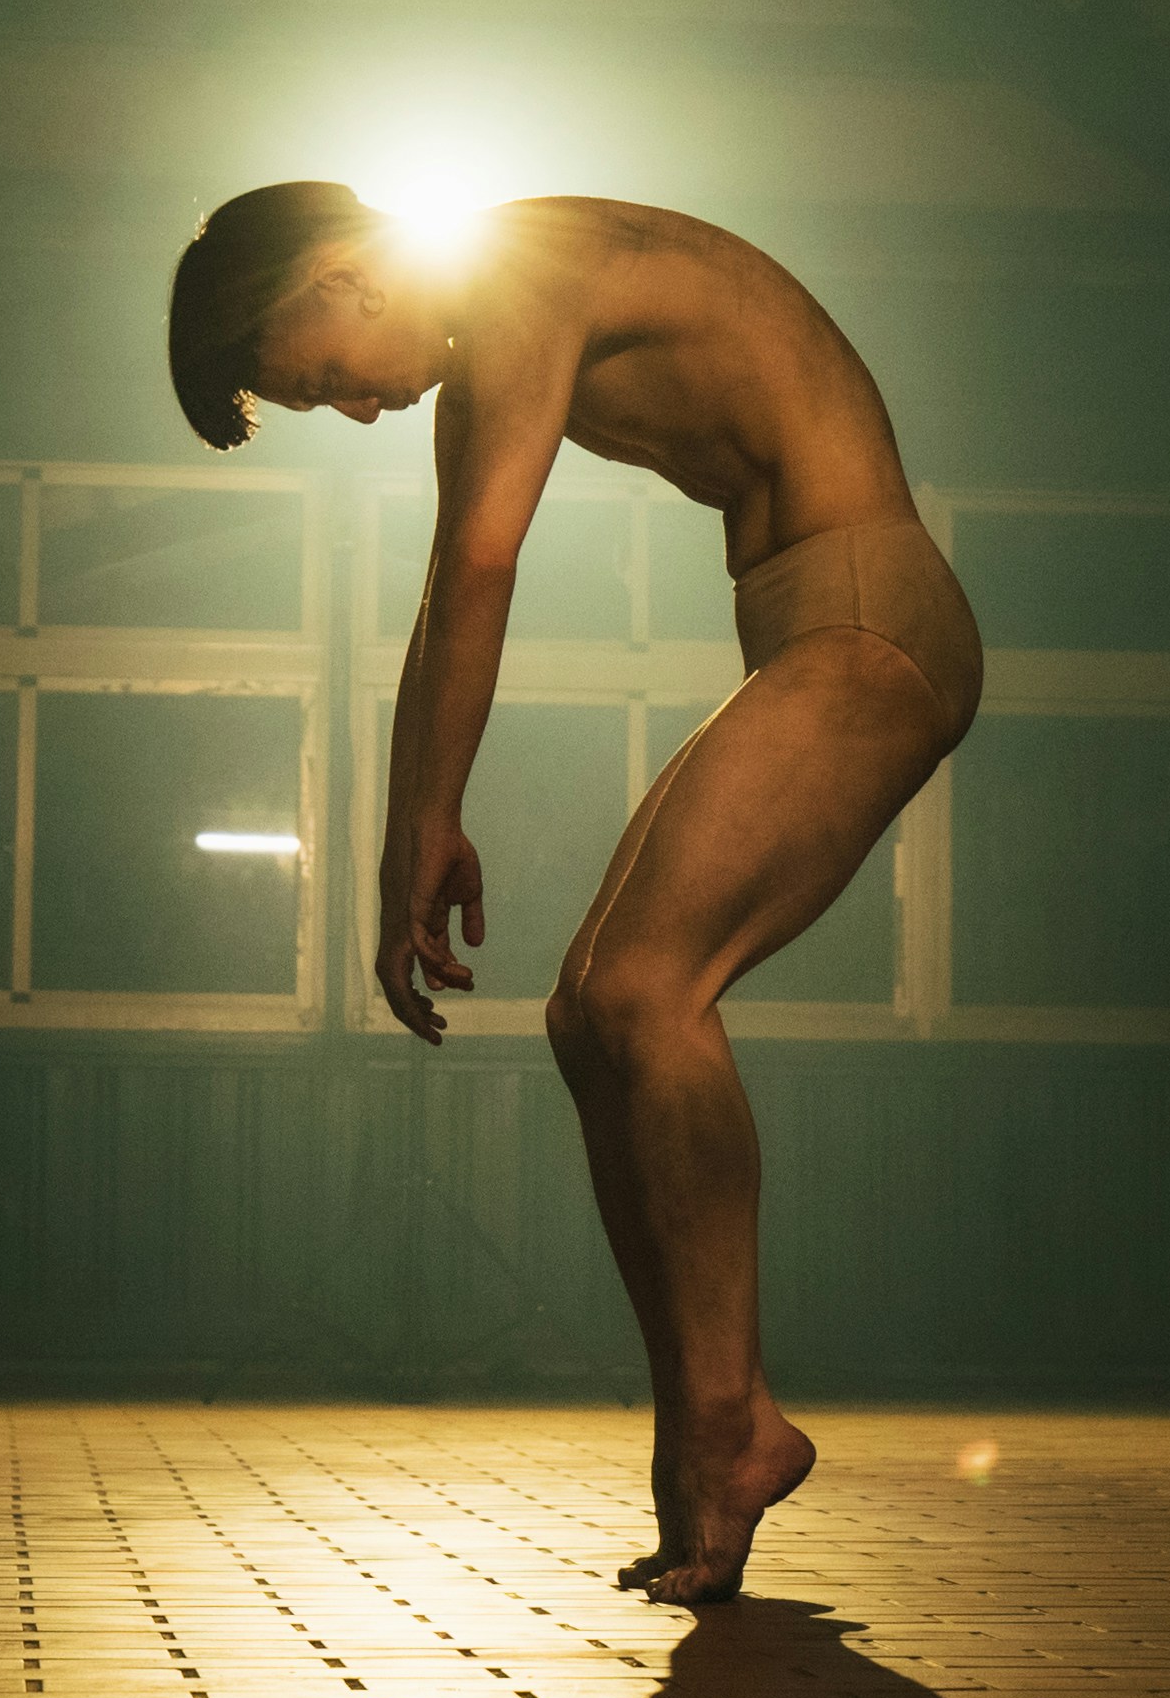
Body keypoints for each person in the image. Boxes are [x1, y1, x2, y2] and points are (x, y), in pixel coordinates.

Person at [167, 181, 978, 1604]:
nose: (354, 412)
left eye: (321, 380)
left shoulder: (526, 267)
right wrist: (405, 842)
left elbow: (488, 563)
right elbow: (444, 592)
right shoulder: (484, 339)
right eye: (319, 410)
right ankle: (713, 1432)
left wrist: (433, 814)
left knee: (642, 990)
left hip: (872, 620)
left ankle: (730, 1427)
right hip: (813, 624)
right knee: (586, 1016)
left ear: (343, 274)